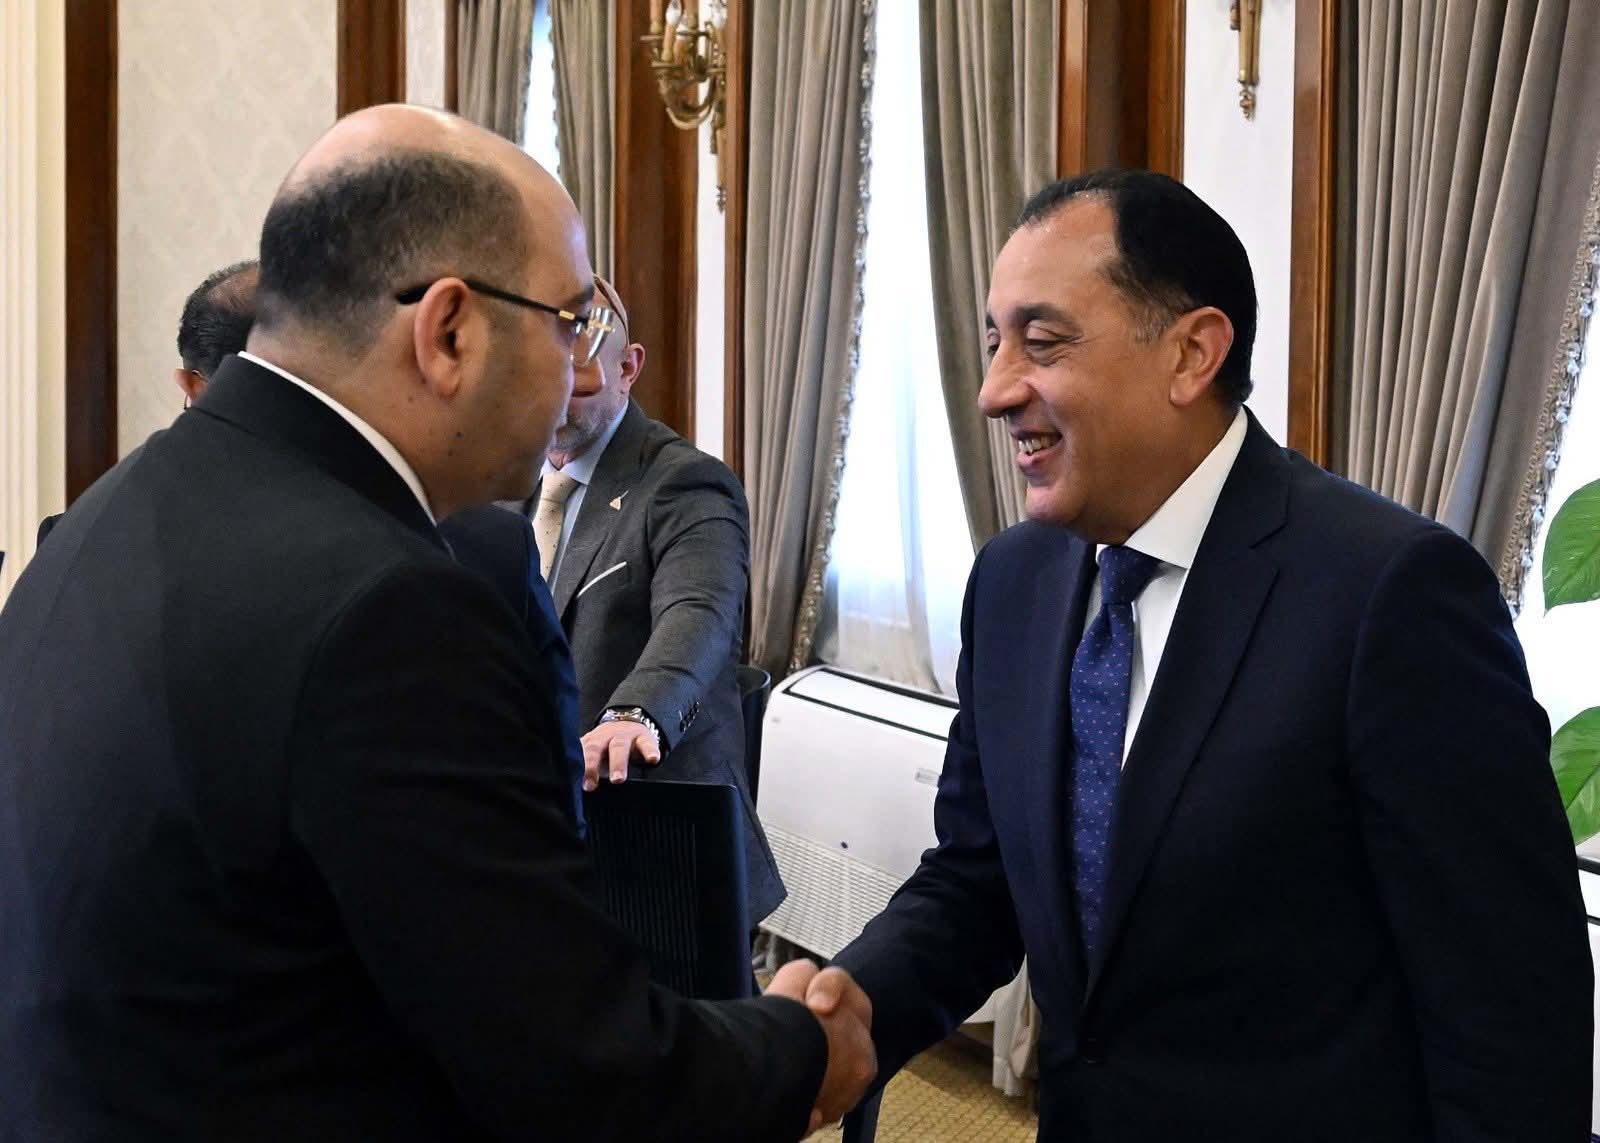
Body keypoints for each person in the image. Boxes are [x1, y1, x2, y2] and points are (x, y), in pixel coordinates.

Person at [0, 104, 873, 1140]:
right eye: (568, 324)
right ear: (449, 331)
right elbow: (577, 1072)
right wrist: (802, 1048)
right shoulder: (391, 611)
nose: (578, 370)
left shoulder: (113, 509)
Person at [817, 169, 1591, 1140]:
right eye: (994, 341)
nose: (994, 390)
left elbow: (1511, 1017)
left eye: (1041, 342)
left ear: (1191, 353)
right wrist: (855, 1005)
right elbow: (980, 881)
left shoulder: (1389, 596)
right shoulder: (1011, 583)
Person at [524, 273, 782, 920]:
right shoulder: (502, 485)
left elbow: (699, 614)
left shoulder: (685, 483)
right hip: (538, 847)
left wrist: (634, 714)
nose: (558, 388)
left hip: (660, 855)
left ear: (628, 367)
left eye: (580, 366)